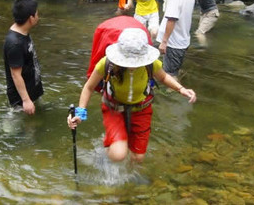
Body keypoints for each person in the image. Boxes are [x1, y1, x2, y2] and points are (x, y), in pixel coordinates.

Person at [67, 28, 196, 163]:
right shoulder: (107, 64)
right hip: (113, 108)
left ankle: (130, 179)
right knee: (118, 155)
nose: (133, 65)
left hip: (141, 109)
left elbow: (163, 78)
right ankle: (106, 154)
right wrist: (80, 113)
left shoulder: (151, 64)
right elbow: (89, 87)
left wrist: (181, 89)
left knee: (138, 158)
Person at [3, 0, 43, 115]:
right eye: (36, 14)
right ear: (31, 18)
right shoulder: (15, 43)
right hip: (21, 100)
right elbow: (15, 75)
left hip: (31, 90)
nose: (38, 16)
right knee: (22, 129)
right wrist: (26, 100)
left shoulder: (22, 31)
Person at [156, 0, 195, 79]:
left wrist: (164, 42)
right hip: (182, 38)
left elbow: (172, 19)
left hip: (173, 42)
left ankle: (174, 93)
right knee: (173, 69)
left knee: (170, 76)